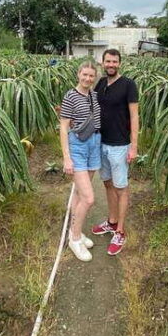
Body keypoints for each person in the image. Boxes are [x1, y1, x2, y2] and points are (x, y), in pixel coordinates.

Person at [91, 49, 139, 255]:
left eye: (114, 61)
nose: (111, 64)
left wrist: (134, 146)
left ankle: (120, 231)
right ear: (102, 63)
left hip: (119, 145)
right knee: (108, 184)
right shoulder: (101, 83)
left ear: (120, 63)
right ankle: (111, 221)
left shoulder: (128, 85)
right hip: (102, 142)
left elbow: (135, 116)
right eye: (108, 61)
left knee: (121, 188)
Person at [59, 61, 101, 262]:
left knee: (78, 193)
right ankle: (74, 239)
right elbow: (63, 127)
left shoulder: (94, 95)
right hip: (77, 146)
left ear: (95, 77)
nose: (87, 79)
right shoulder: (70, 96)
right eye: (84, 75)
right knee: (89, 198)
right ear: (78, 74)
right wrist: (67, 157)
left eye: (91, 76)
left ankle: (75, 231)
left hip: (94, 144)